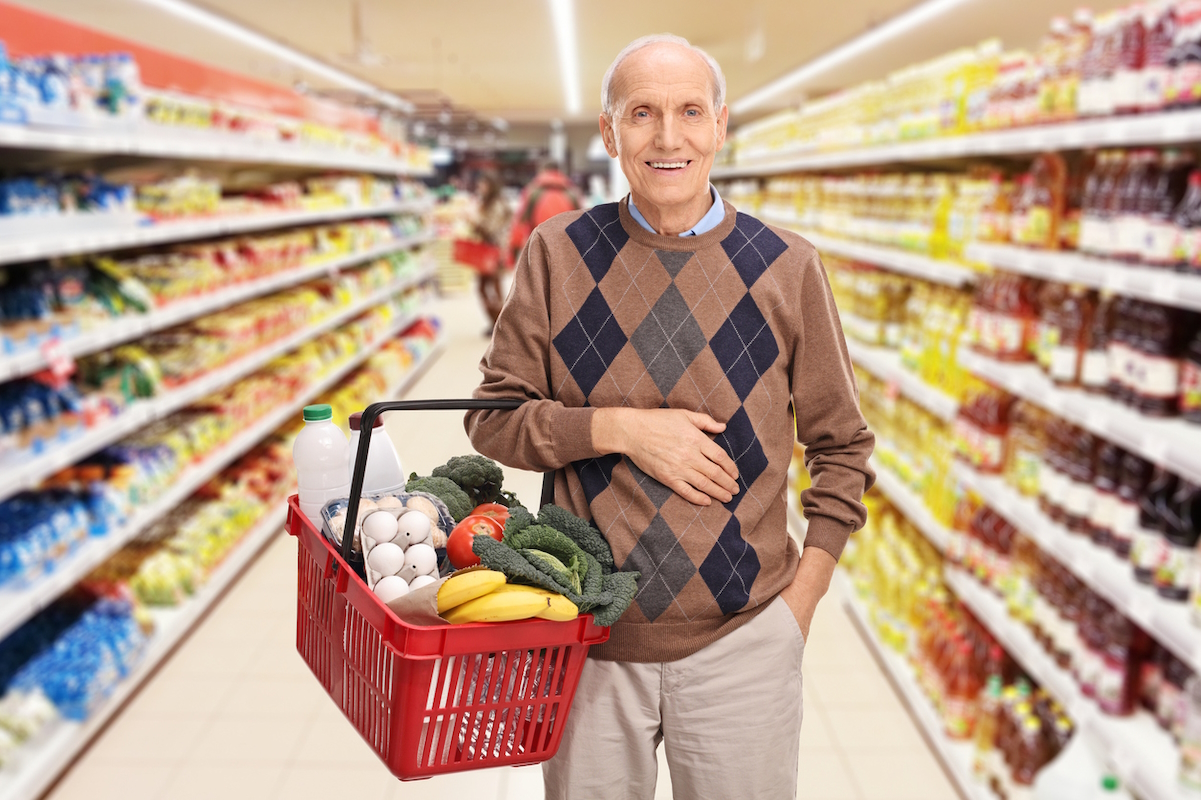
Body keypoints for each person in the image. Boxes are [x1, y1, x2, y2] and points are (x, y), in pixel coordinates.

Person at [466, 33, 874, 800]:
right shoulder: (556, 252)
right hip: (586, 639)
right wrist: (618, 428)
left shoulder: (787, 266)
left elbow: (842, 447)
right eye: (642, 113)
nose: (668, 137)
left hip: (744, 640)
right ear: (609, 131)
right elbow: (492, 420)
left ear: (719, 125)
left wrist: (801, 602)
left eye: (689, 111)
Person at [507, 159, 583, 266]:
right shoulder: (572, 193)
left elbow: (520, 223)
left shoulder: (533, 192)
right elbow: (583, 227)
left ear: (542, 171)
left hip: (538, 249)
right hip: (566, 252)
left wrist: (512, 254)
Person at [469, 171, 511, 327]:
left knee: (491, 288)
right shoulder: (487, 203)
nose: (480, 187)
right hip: (487, 251)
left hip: (492, 252)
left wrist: (472, 219)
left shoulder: (496, 204)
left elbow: (490, 229)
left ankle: (500, 324)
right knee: (488, 288)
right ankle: (497, 323)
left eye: (483, 184)